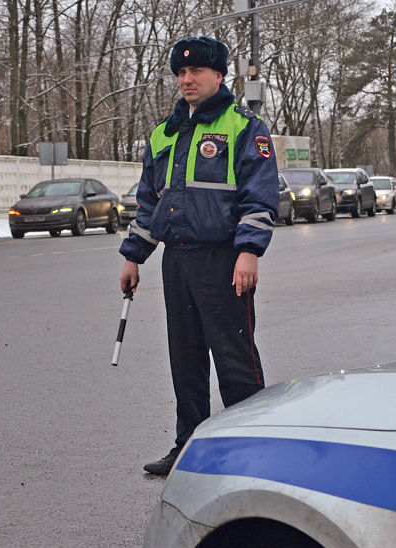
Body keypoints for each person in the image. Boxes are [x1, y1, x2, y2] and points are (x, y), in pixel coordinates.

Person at [119, 36, 279, 476]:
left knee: (234, 359)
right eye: (181, 73)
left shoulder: (243, 126)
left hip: (224, 259)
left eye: (196, 72)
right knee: (185, 359)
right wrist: (134, 256)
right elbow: (149, 203)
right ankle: (189, 446)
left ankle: (252, 447)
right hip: (178, 260)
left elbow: (259, 196)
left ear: (219, 75)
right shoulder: (164, 133)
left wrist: (248, 252)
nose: (186, 80)